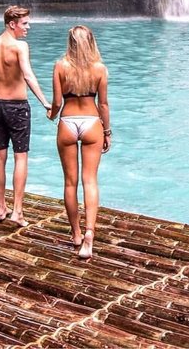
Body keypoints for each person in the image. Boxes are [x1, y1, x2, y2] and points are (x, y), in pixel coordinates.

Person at [0, 5, 51, 226]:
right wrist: (45, 102)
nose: (28, 27)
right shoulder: (20, 47)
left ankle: (1, 208)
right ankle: (17, 212)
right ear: (12, 24)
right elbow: (27, 75)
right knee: (21, 157)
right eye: (25, 23)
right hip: (17, 107)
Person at [47, 25, 111, 259]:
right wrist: (108, 131)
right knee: (90, 181)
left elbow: (56, 103)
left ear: (70, 43)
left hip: (68, 122)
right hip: (93, 122)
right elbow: (103, 104)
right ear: (91, 42)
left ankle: (75, 234)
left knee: (70, 183)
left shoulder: (60, 66)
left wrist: (51, 115)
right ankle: (89, 234)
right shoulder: (99, 69)